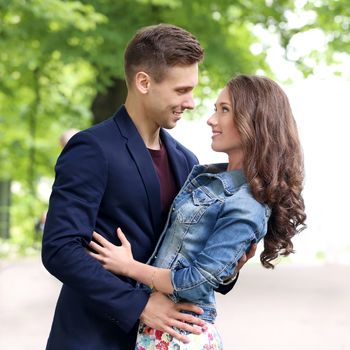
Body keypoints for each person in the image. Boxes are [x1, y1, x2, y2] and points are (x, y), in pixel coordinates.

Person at [41, 24, 252, 350]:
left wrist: (228, 265)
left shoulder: (186, 161)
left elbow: (189, 253)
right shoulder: (92, 149)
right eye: (182, 90)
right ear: (144, 82)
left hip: (162, 341)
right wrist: (138, 304)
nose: (192, 102)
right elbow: (60, 248)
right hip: (93, 337)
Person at [88, 74, 307, 349]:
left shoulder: (246, 203)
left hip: (178, 335)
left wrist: (130, 267)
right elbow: (192, 254)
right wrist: (228, 270)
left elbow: (194, 283)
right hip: (161, 330)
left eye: (224, 110)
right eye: (216, 108)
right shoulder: (205, 176)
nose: (211, 119)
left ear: (255, 122)